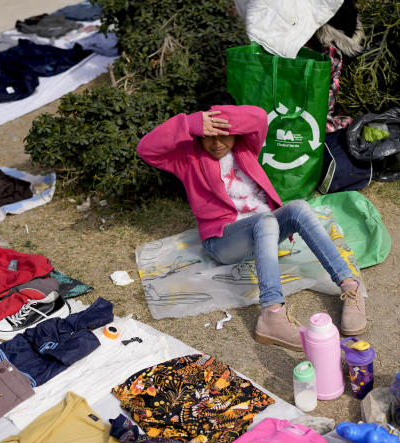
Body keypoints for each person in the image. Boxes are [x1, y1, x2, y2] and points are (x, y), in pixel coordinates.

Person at [136, 103, 367, 350]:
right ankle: (272, 315)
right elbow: (145, 149)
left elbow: (257, 117)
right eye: (209, 136)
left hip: (263, 230)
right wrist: (191, 123)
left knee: (299, 207)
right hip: (224, 242)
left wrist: (218, 119)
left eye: (225, 134)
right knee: (266, 220)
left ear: (236, 132)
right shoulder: (188, 158)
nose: (217, 143)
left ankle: (349, 287)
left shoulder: (246, 148)